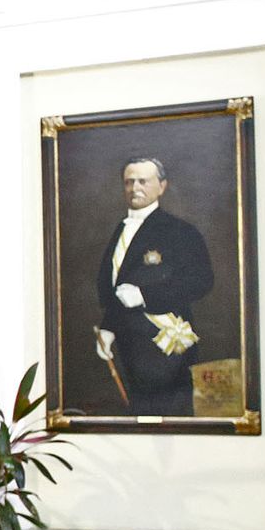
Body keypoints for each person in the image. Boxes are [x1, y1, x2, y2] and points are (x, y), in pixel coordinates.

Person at [92, 156, 213, 415]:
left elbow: (200, 281)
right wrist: (108, 328)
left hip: (165, 351)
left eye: (143, 181)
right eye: (129, 181)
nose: (135, 188)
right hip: (128, 349)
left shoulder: (180, 231)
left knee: (166, 424)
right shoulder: (120, 229)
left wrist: (145, 295)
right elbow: (118, 286)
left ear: (162, 186)